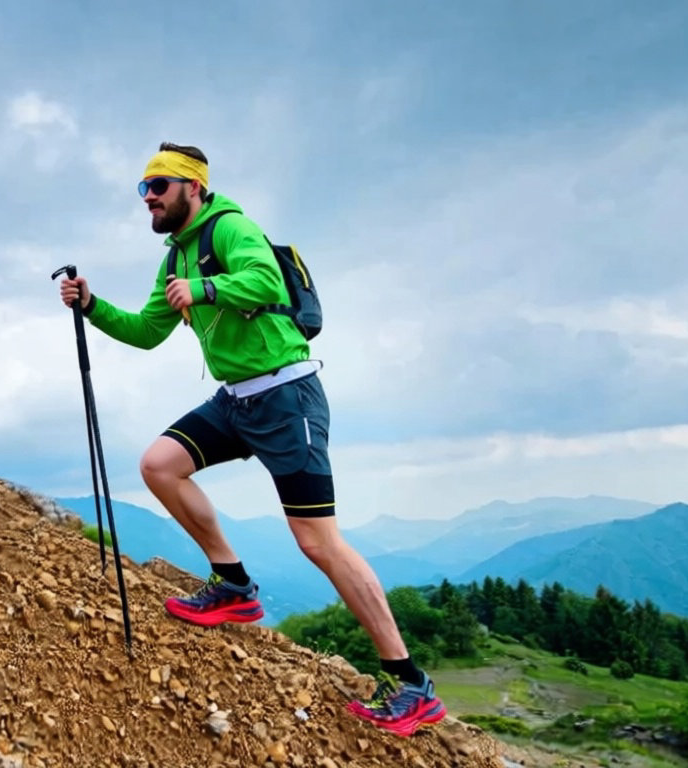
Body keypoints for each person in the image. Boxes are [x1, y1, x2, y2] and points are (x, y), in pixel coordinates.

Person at [57, 142, 446, 738]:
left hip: (288, 398)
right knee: (160, 464)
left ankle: (411, 683)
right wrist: (91, 305)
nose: (149, 198)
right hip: (236, 401)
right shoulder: (176, 259)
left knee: (318, 542)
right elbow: (145, 331)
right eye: (143, 189)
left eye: (158, 185)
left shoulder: (231, 227)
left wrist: (209, 292)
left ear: (192, 187)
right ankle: (234, 584)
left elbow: (265, 278)